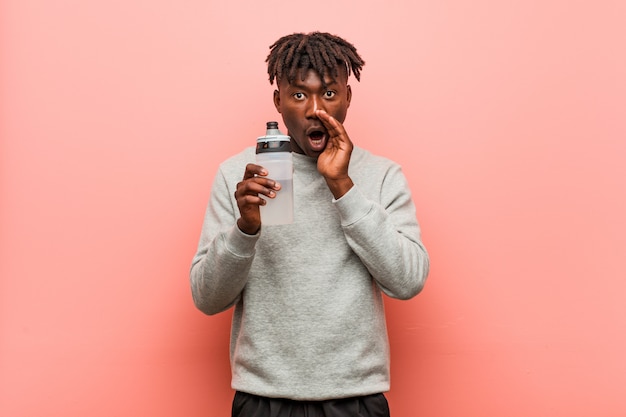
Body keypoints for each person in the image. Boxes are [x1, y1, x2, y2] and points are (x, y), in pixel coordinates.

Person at [190, 31, 429, 417]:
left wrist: (342, 185)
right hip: (262, 400)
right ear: (278, 101)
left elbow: (408, 281)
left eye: (330, 94)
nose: (316, 109)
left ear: (348, 99)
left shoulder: (382, 175)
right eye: (299, 95)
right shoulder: (239, 176)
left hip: (356, 399)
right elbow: (207, 298)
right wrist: (245, 230)